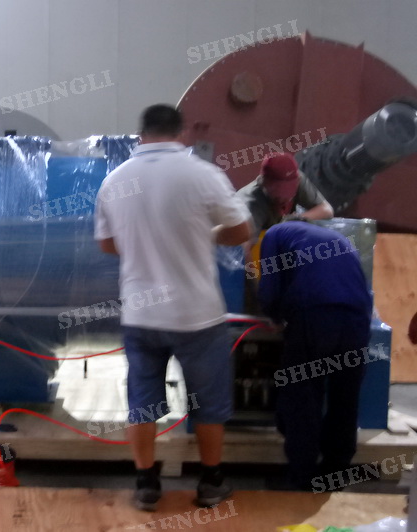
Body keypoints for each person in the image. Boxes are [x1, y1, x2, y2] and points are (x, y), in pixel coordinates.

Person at [95, 104, 251, 510]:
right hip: (196, 314)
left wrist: (144, 247)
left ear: (141, 134)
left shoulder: (115, 180)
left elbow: (107, 243)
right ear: (181, 133)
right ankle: (211, 483)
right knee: (208, 402)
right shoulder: (202, 174)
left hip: (141, 314)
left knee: (142, 401)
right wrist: (204, 236)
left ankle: (146, 484)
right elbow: (241, 230)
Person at [255, 221, 372, 490]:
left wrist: (274, 317)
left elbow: (269, 289)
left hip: (315, 314)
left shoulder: (273, 233)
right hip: (358, 318)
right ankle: (336, 471)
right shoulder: (337, 238)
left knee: (302, 393)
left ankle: (302, 477)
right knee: (345, 396)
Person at [238, 152, 333, 239]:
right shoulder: (251, 203)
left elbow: (327, 210)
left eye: (289, 190)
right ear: (263, 182)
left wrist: (297, 219)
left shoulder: (296, 178)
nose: (285, 198)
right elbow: (244, 246)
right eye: (278, 192)